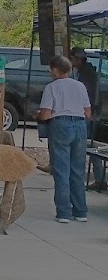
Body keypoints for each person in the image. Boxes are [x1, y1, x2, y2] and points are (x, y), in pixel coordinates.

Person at [38, 54, 90, 223]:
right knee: (77, 171)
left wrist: (37, 114)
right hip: (80, 125)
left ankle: (64, 212)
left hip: (60, 125)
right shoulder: (80, 86)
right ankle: (80, 211)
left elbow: (45, 114)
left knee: (61, 170)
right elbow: (88, 112)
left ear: (55, 69)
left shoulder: (52, 87)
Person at [71, 47, 105, 191]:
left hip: (89, 112)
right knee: (86, 144)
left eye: (72, 58)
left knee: (88, 144)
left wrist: (88, 112)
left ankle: (100, 178)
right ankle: (99, 177)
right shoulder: (84, 72)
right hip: (88, 111)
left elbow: (88, 96)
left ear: (78, 59)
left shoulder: (87, 74)